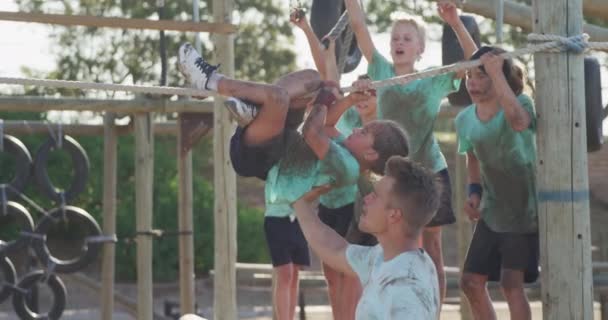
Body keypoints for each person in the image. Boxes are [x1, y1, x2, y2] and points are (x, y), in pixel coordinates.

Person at [178, 43, 409, 320]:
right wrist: (346, 98)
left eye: (364, 131)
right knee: (312, 77)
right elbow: (328, 123)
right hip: (278, 140)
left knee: (277, 98)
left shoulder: (346, 165)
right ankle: (253, 108)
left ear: (370, 153)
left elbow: (313, 131)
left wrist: (325, 99)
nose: (357, 127)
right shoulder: (347, 150)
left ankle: (211, 81)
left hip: (262, 157)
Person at [344, 0, 478, 304]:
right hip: (389, 175)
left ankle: (433, 311)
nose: (399, 42)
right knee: (379, 247)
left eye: (407, 38)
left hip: (429, 169)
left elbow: (475, 62)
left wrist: (454, 22)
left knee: (433, 249)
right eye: (395, 38)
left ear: (420, 48)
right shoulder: (379, 69)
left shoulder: (432, 78)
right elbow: (359, 26)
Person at [290, 10, 378, 319]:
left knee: (350, 276)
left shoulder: (354, 121)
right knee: (332, 277)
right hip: (328, 204)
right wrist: (307, 30)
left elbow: (332, 76)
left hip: (351, 203)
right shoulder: (325, 115)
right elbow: (326, 68)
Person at [292, 155, 442, 319]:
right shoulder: (384, 257)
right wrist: (300, 203)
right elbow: (334, 248)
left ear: (394, 215)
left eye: (375, 195)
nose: (366, 198)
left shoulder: (407, 287)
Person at [454, 46, 538, 320]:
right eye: (470, 76)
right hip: (493, 211)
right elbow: (473, 159)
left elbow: (518, 123)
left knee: (511, 284)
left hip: (525, 210)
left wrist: (496, 73)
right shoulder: (464, 119)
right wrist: (474, 191)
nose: (473, 82)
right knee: (470, 281)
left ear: (499, 75)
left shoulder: (520, 103)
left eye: (482, 75)